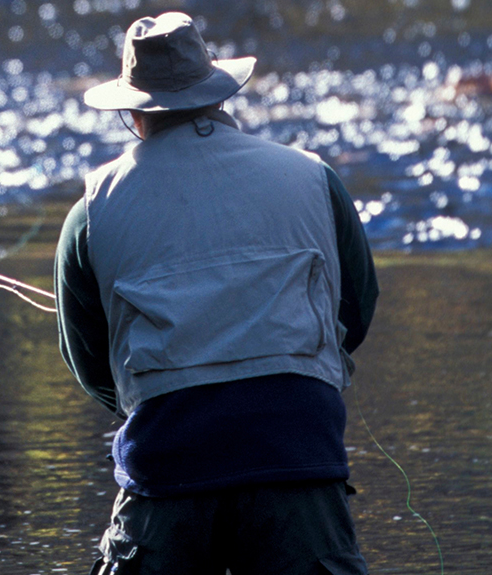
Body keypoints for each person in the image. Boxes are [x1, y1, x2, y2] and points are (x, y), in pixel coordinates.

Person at [54, 12, 379, 575]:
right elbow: (357, 307)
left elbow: (90, 365)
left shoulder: (91, 211)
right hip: (299, 461)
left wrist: (160, 403)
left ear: (132, 113)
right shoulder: (314, 177)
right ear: (220, 94)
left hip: (167, 473)